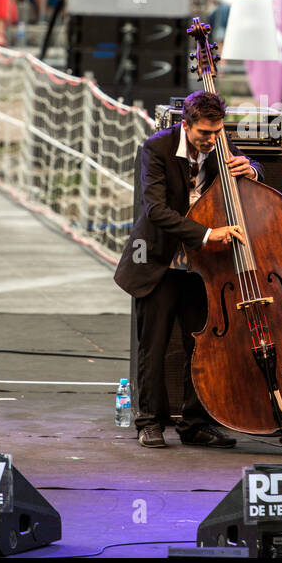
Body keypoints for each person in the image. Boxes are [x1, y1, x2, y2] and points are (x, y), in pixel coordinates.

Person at [112, 89, 257, 449]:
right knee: (154, 346)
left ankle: (196, 423)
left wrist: (252, 167)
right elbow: (155, 211)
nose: (212, 141)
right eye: (204, 133)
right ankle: (148, 421)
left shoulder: (221, 145)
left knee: (203, 346)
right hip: (159, 262)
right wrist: (209, 233)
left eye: (217, 132)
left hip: (203, 269)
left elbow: (252, 166)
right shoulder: (156, 148)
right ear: (186, 124)